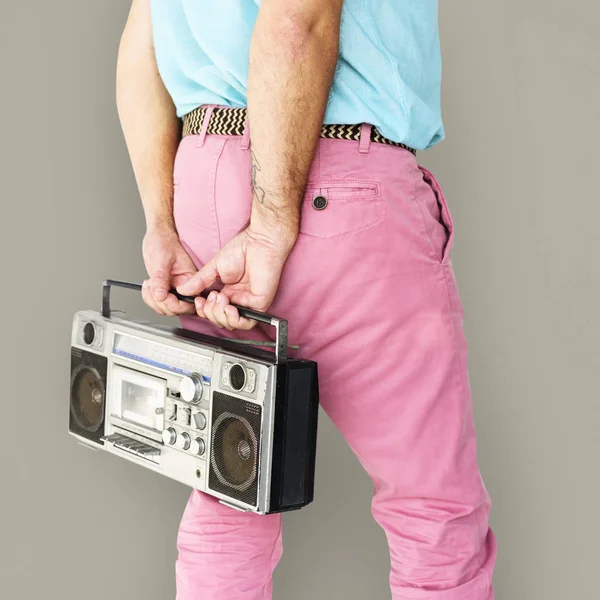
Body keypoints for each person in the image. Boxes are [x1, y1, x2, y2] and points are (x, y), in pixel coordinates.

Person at [116, 1, 497, 598]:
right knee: (431, 513)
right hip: (334, 182)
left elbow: (141, 47)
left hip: (201, 192)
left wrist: (160, 220)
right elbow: (299, 17)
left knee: (232, 489)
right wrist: (270, 223)